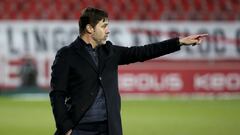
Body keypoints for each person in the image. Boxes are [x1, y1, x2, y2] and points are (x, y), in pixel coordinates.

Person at [49, 7, 207, 135]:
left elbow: (143, 52)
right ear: (90, 28)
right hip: (79, 129)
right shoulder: (66, 55)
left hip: (109, 129)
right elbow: (57, 94)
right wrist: (65, 127)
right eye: (104, 26)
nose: (108, 30)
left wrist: (179, 42)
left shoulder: (109, 52)